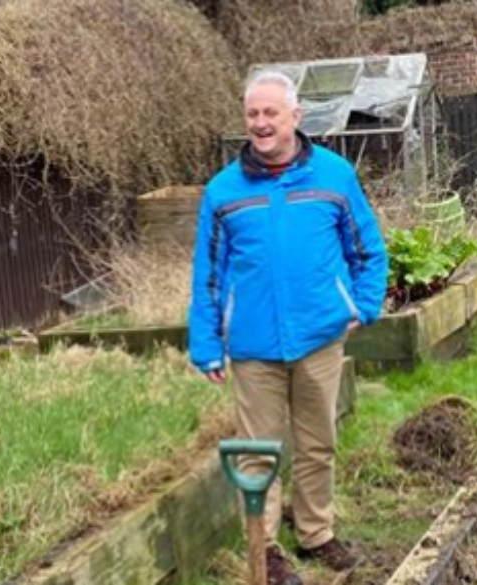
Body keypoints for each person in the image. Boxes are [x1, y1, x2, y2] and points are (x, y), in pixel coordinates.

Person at [188, 71, 388, 585]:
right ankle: (267, 548)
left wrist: (362, 305)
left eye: (270, 113)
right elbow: (208, 275)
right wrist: (207, 344)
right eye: (252, 114)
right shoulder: (223, 192)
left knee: (317, 439)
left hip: (321, 336)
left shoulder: (335, 176)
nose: (260, 123)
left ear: (295, 117)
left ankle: (317, 532)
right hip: (254, 347)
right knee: (259, 450)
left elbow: (368, 248)